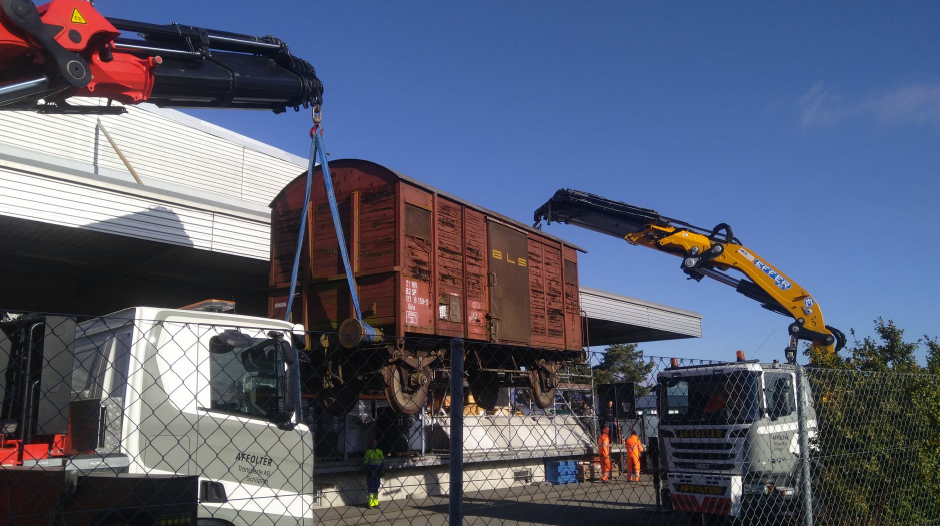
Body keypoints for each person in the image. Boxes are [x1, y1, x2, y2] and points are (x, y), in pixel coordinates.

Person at [364, 437, 385, 508]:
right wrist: (371, 470)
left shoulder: (379, 451)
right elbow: (366, 463)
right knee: (371, 488)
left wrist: (382, 470)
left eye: (376, 442)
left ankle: (375, 503)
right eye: (374, 442)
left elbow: (383, 462)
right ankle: (371, 503)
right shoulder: (368, 452)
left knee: (376, 487)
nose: (375, 443)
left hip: (377, 472)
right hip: (371, 473)